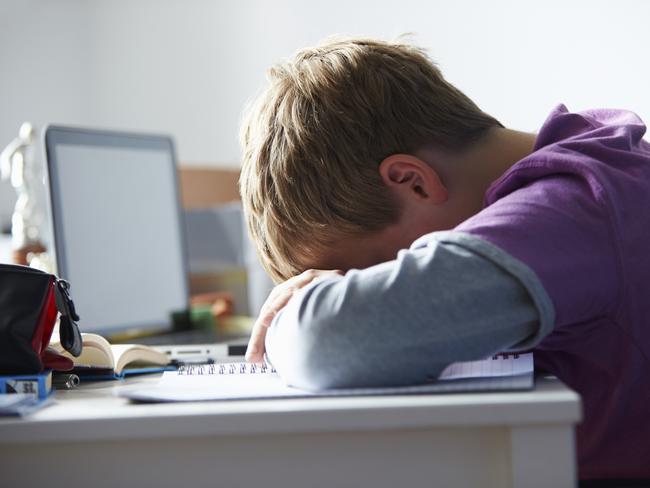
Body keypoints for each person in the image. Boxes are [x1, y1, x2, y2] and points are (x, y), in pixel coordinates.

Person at [238, 37, 650, 481]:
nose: (388, 286)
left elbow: (328, 342)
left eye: (375, 273)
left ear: (413, 182)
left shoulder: (572, 210)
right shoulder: (597, 169)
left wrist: (290, 316)